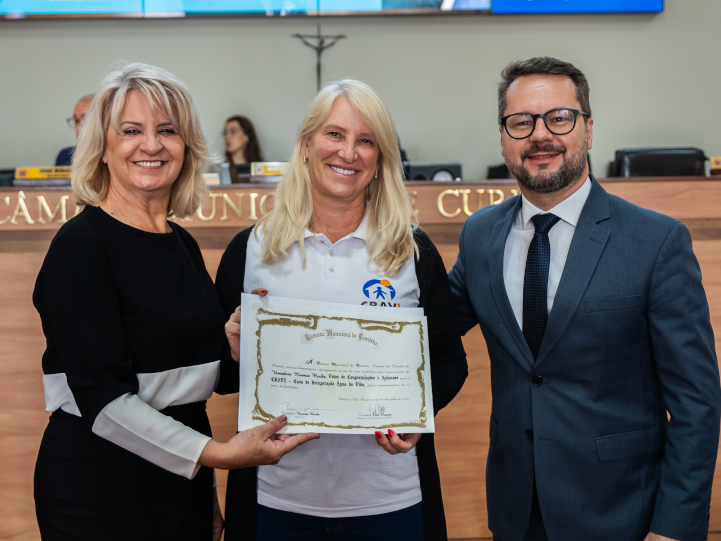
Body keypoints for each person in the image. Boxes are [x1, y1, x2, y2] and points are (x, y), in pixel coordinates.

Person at [32, 63, 317, 540]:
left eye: (167, 130)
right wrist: (221, 457)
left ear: (186, 148)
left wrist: (233, 344)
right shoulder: (80, 247)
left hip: (180, 486)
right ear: (102, 147)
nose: (151, 144)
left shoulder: (179, 243)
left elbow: (189, 384)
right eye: (131, 130)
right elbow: (105, 403)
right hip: (99, 490)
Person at [448, 56, 721, 541]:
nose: (540, 135)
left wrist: (675, 527)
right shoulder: (479, 235)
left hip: (622, 514)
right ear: (503, 136)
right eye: (521, 122)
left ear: (588, 130)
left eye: (559, 117)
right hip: (516, 512)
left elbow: (697, 404)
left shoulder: (656, 241)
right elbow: (429, 331)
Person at [218, 79, 468, 540]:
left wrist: (416, 416)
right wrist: (234, 351)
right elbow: (221, 379)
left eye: (366, 140)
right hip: (276, 502)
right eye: (335, 134)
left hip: (390, 502)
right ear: (306, 144)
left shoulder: (412, 252)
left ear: (380, 160)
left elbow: (451, 363)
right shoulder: (251, 250)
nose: (348, 153)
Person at [55, 94, 93, 167]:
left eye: (85, 119)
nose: (78, 128)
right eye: (76, 121)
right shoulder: (65, 157)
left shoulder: (112, 156)